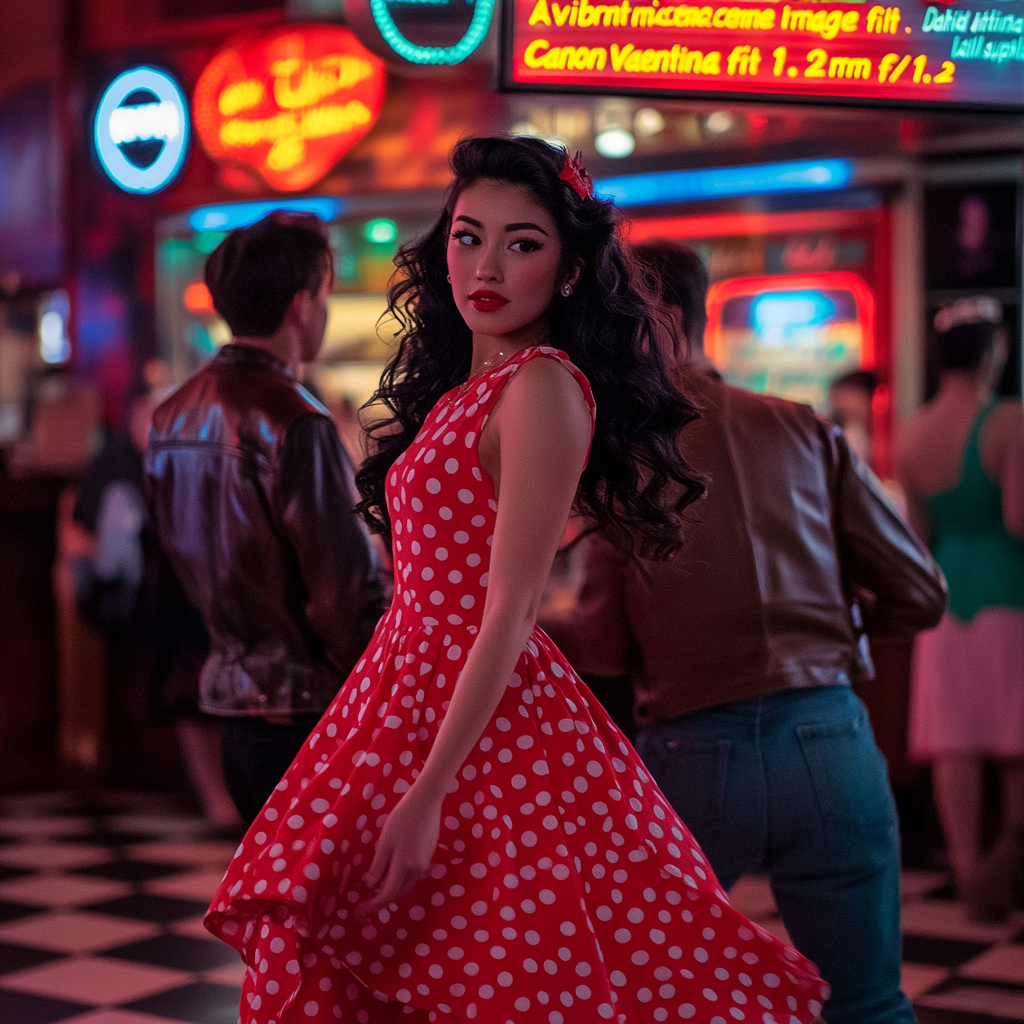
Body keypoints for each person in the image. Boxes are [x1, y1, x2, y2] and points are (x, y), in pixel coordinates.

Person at [204, 138, 829, 1024]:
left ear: (571, 270)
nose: (486, 265)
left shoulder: (541, 387)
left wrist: (428, 791)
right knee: (409, 971)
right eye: (468, 237)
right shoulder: (469, 388)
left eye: (522, 242)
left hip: (482, 718)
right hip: (406, 689)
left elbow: (514, 606)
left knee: (491, 981)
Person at [544, 240, 947, 1024]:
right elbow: (920, 594)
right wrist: (828, 632)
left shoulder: (625, 457)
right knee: (868, 1001)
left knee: (654, 997)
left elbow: (601, 646)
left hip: (697, 749)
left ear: (650, 321)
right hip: (830, 733)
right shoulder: (806, 428)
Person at [146, 212, 386, 825]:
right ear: (304, 306)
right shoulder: (297, 419)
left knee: (274, 908)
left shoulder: (171, 414)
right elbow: (342, 591)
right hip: (308, 709)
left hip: (233, 701)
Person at [897, 299, 1024, 921]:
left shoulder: (912, 430)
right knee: (1014, 741)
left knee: (956, 742)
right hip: (1009, 593)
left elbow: (914, 538)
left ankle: (971, 871)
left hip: (945, 601)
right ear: (991, 351)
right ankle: (1012, 869)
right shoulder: (1009, 420)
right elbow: (1019, 518)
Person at [68, 382, 240, 828]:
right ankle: (217, 793)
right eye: (158, 415)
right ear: (134, 417)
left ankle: (227, 786)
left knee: (209, 622)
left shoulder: (176, 464)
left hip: (172, 600)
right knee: (197, 633)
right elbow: (84, 544)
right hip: (126, 603)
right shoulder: (115, 469)